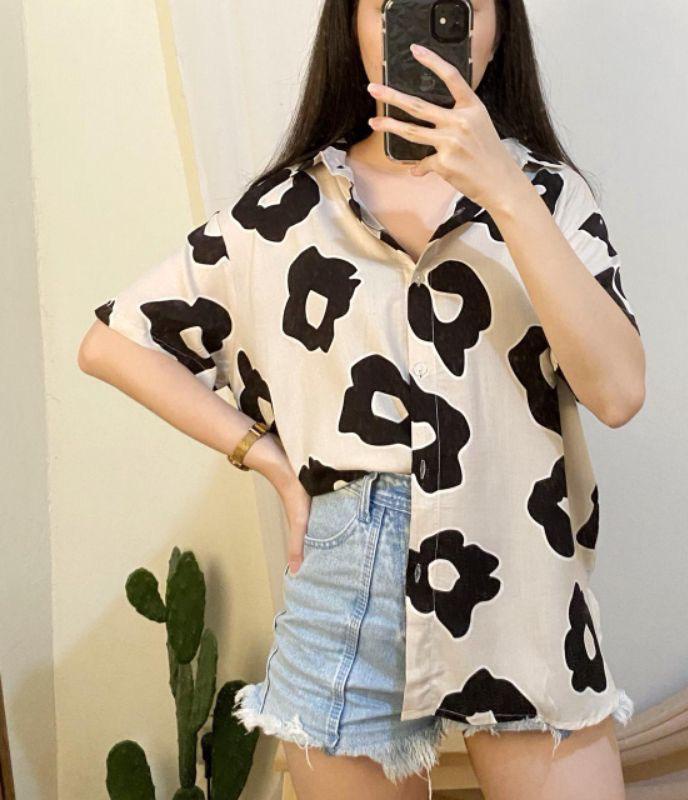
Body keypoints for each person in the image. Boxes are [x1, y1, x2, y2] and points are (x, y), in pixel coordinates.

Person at [78, 0, 646, 797]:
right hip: (348, 577)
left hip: (522, 572)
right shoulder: (285, 211)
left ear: (498, 27)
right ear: (353, 26)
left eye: (458, 6)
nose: (427, 29)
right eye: (391, 6)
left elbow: (617, 393)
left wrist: (505, 192)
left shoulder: (549, 196)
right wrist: (268, 461)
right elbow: (113, 343)